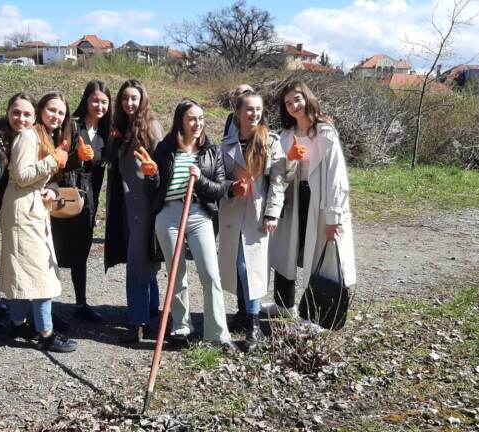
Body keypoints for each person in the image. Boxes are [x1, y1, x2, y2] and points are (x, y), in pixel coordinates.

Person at [145, 99, 236, 351]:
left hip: (199, 214)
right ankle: (181, 326)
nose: (197, 123)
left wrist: (200, 180)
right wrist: (151, 175)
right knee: (177, 275)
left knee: (210, 275)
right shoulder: (164, 149)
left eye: (201, 118)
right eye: (192, 119)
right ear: (181, 122)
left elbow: (220, 189)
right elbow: (152, 188)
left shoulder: (210, 150)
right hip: (168, 215)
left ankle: (217, 334)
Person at [267, 80, 356, 318]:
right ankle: (283, 305)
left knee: (317, 255)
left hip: (321, 200)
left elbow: (337, 177)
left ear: (307, 98)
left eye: (297, 99)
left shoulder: (326, 132)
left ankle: (316, 314)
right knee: (286, 251)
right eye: (287, 103)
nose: (293, 105)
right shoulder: (286, 135)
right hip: (295, 197)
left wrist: (334, 217)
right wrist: (291, 158)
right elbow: (282, 175)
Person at [0, 93, 77, 353]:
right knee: (40, 272)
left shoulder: (45, 137)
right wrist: (52, 161)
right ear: (41, 110)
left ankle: (18, 322)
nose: (56, 116)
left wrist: (53, 189)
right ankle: (46, 333)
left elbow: (43, 179)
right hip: (23, 209)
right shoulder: (28, 136)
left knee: (23, 270)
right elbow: (21, 176)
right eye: (52, 110)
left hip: (32, 207)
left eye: (61, 113)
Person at [218, 90, 285, 351]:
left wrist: (272, 212)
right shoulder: (225, 144)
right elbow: (219, 178)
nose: (254, 113)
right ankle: (243, 313)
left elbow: (279, 181)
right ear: (237, 113)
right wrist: (231, 188)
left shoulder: (270, 142)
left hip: (257, 214)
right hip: (233, 212)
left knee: (251, 269)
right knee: (236, 266)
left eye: (258, 109)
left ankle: (254, 326)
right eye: (249, 109)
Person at [45, 82, 111, 323]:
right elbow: (58, 159)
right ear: (86, 100)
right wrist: (76, 158)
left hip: (88, 199)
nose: (99, 106)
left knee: (81, 252)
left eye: (104, 102)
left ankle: (81, 303)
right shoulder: (72, 125)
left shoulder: (105, 133)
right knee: (54, 249)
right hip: (64, 194)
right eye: (95, 100)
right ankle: (46, 305)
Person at [104, 79, 164, 343]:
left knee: (138, 263)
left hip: (144, 206)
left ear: (143, 100)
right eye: (125, 98)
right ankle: (151, 308)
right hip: (126, 205)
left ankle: (138, 323)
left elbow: (162, 167)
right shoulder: (122, 127)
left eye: (134, 98)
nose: (130, 103)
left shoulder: (151, 127)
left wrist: (154, 176)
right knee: (142, 259)